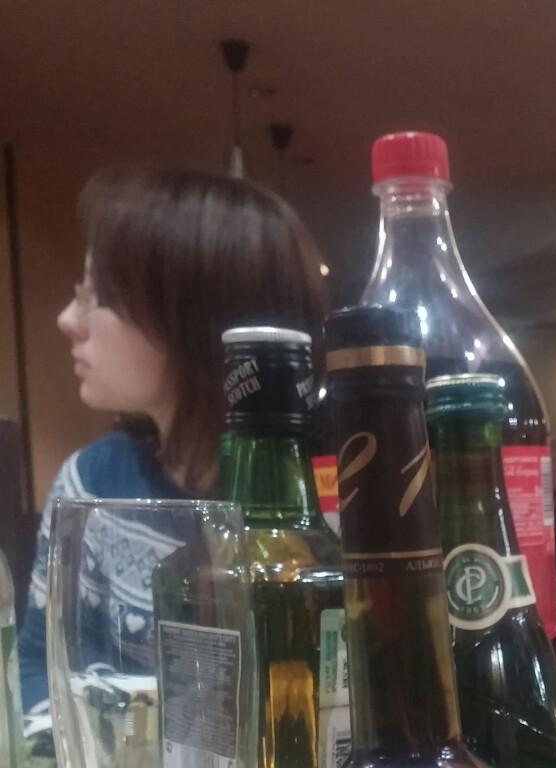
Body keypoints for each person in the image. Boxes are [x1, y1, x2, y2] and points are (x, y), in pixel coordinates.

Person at [18, 167, 327, 708]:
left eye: (98, 297)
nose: (67, 319)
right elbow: (38, 670)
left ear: (192, 321)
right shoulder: (90, 485)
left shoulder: (325, 512)